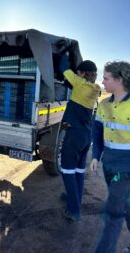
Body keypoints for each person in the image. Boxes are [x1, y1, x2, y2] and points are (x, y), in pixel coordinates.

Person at [90, 61, 130, 253]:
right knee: (127, 206)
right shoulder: (104, 104)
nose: (102, 82)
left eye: (106, 78)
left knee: (113, 212)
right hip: (109, 166)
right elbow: (97, 133)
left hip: (126, 168)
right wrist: (96, 156)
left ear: (119, 79)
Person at [59, 54, 101, 221]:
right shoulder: (96, 88)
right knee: (78, 171)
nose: (76, 75)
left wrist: (66, 55)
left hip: (74, 135)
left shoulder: (79, 83)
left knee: (67, 171)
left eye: (78, 73)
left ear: (82, 74)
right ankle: (73, 198)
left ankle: (74, 210)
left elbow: (64, 68)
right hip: (85, 136)